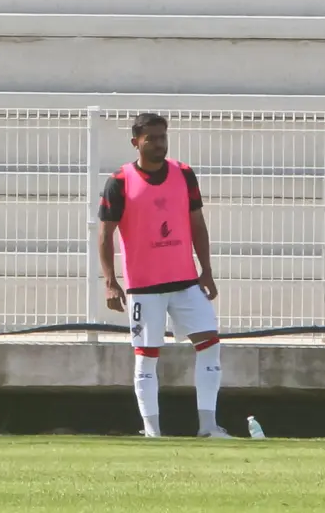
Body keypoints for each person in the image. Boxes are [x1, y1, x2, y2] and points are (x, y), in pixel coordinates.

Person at [98, 113, 229, 439]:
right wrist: (111, 281)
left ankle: (209, 427)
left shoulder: (183, 174)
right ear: (136, 142)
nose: (159, 144)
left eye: (162, 137)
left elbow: (197, 224)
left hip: (185, 281)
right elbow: (105, 234)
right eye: (151, 138)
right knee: (147, 356)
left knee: (210, 343)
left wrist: (207, 270)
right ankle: (152, 430)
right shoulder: (121, 181)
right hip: (144, 287)